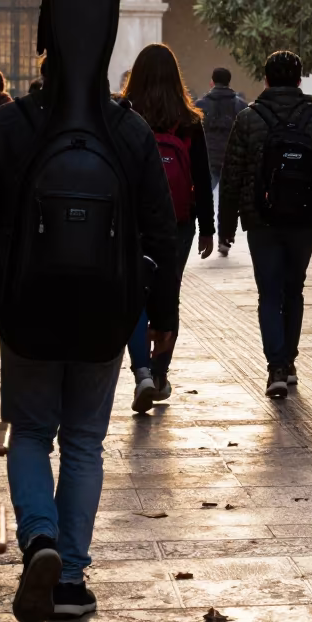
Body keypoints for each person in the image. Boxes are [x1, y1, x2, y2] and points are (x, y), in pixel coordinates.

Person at [0, 0, 179, 622]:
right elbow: (161, 233)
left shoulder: (9, 126)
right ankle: (73, 581)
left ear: (45, 27)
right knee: (83, 439)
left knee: (29, 433)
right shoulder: (130, 130)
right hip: (106, 313)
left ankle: (40, 540)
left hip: (26, 307)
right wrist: (162, 314)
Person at [218, 50, 312, 397]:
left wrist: (225, 226)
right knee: (294, 289)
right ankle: (289, 362)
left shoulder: (248, 119)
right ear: (300, 80)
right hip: (304, 220)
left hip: (261, 220)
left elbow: (231, 176)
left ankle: (275, 365)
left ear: (267, 80)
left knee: (269, 292)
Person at [122, 44, 215, 412]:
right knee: (167, 292)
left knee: (135, 294)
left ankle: (141, 371)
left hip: (132, 219)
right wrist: (208, 228)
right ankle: (160, 375)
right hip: (177, 222)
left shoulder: (127, 116)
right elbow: (201, 179)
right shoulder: (189, 121)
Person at [195, 67, 247, 257]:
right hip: (231, 159)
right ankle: (225, 239)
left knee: (204, 197)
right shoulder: (240, 106)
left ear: (212, 81)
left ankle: (205, 233)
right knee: (228, 201)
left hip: (208, 158)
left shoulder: (200, 105)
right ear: (229, 81)